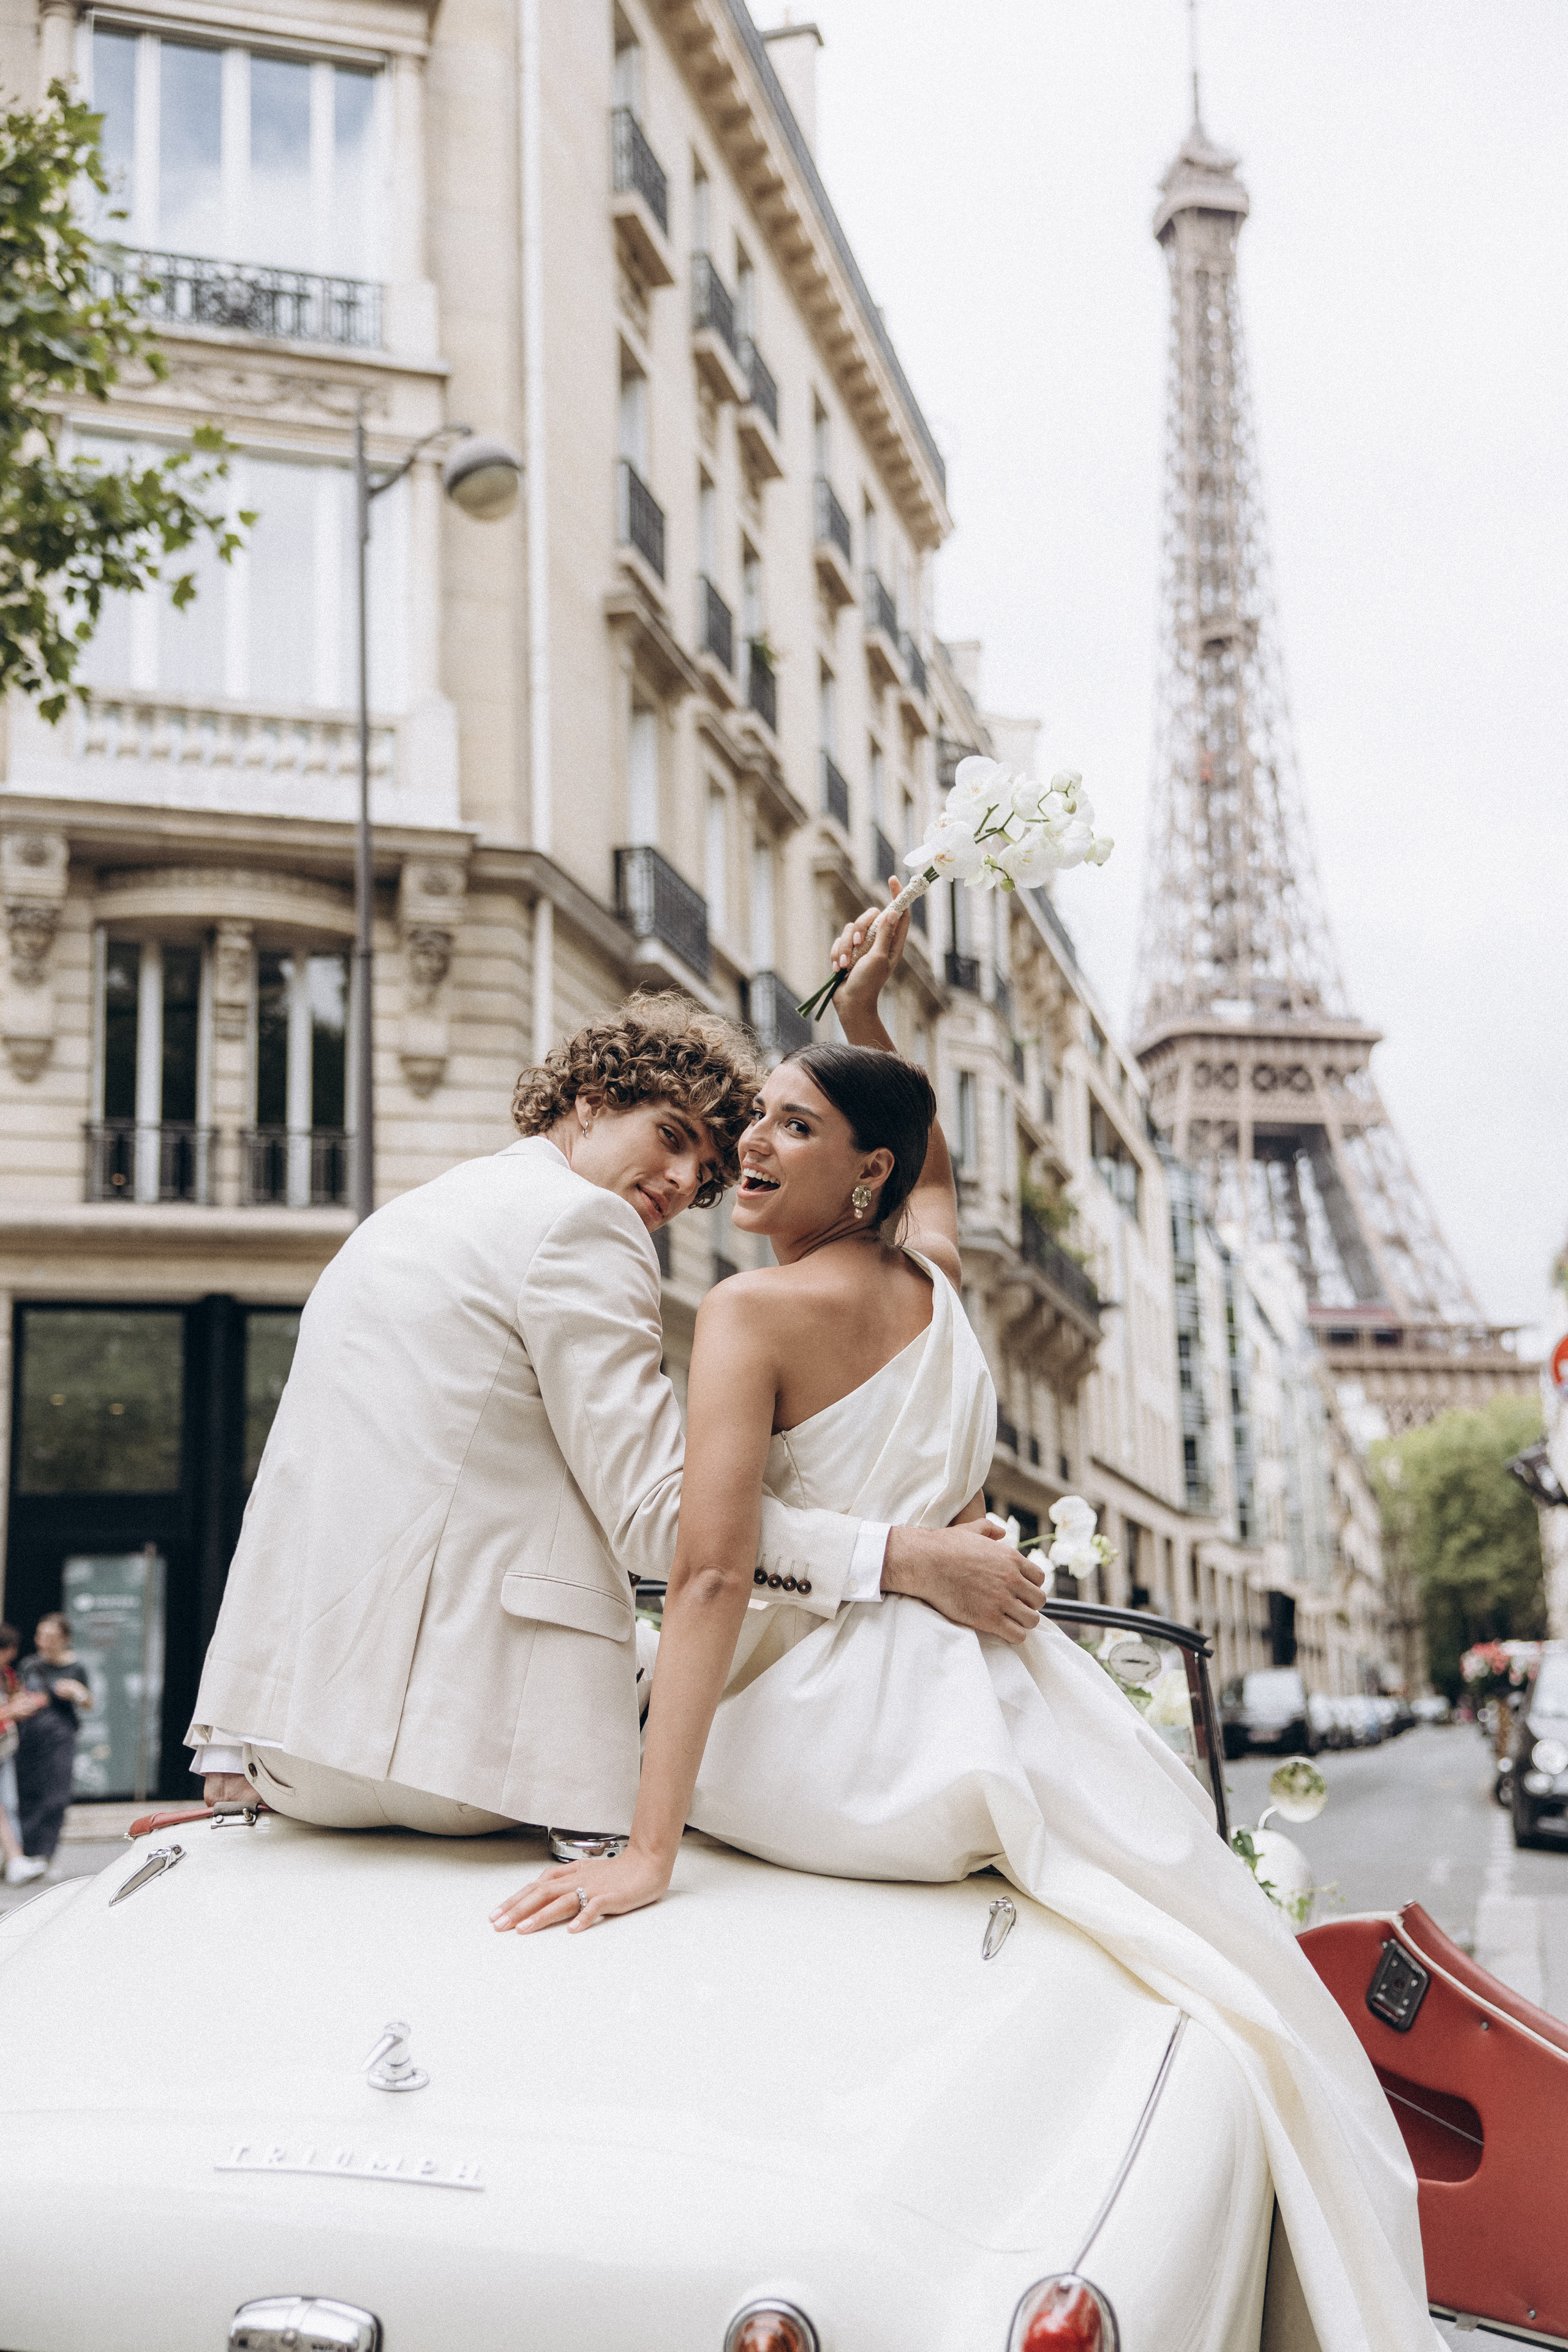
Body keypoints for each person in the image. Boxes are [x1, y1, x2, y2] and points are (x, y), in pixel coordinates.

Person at [495, 901, 1442, 2352]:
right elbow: (925, 1156)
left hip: (822, 1714)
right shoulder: (934, 1279)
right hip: (991, 1687)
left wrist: (646, 1844)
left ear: (859, 1168)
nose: (748, 1143)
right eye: (750, 1123)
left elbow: (704, 1575)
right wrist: (864, 1016)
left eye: (789, 1127)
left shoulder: (749, 1311)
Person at [188, 992, 1042, 1837]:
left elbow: (291, 1484)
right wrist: (906, 1558)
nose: (680, 1186)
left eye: (707, 1174)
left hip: (286, 1751)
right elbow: (663, 1524)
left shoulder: (399, 1220)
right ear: (589, 1102)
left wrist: (228, 1745)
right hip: (465, 1757)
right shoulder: (584, 1227)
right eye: (671, 1137)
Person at [15, 1613, 92, 1872]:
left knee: (56, 1796)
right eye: (40, 1636)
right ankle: (25, 1854)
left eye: (50, 1637)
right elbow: (20, 1696)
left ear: (65, 1639)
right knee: (27, 1792)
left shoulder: (76, 1667)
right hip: (29, 1737)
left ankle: (45, 1856)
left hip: (60, 1738)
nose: (43, 1642)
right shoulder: (29, 1665)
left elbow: (88, 1703)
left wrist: (76, 1691)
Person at [1, 1625, 49, 1886]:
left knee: (7, 1804)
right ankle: (14, 1861)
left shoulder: (7, 1674)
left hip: (4, 1746)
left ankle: (14, 1861)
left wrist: (29, 1701)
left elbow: (16, 1696)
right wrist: (12, 1711)